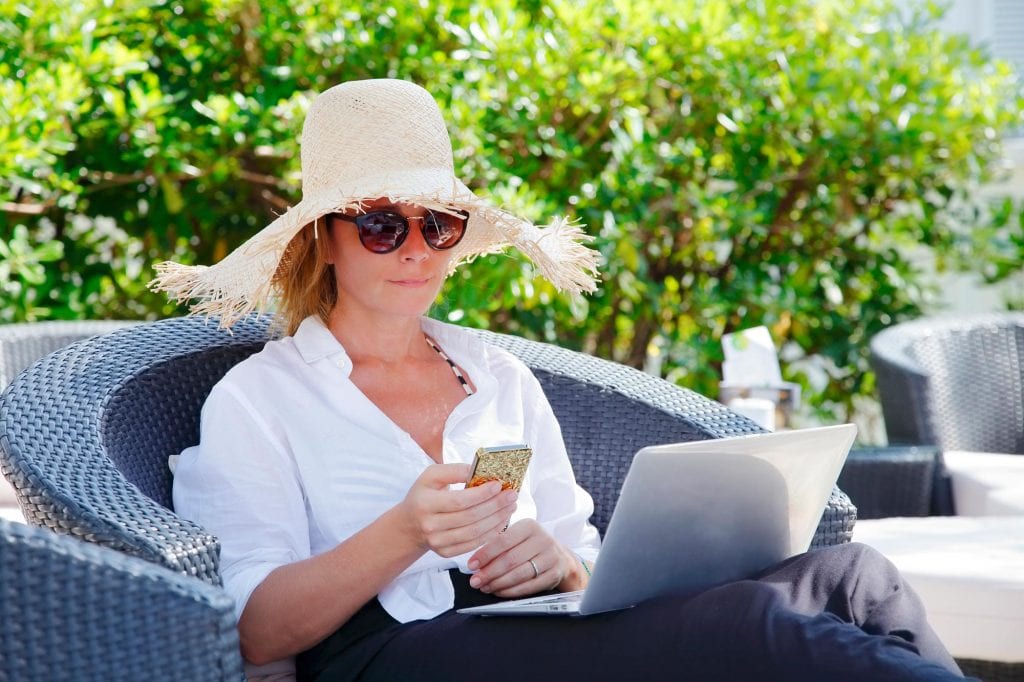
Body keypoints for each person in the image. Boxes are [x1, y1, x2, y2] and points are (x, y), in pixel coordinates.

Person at [153, 79, 971, 682]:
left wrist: (560, 565)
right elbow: (257, 633)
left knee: (853, 578)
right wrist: (405, 532)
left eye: (436, 224)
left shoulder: (497, 378)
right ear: (323, 241)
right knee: (751, 623)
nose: (414, 248)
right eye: (379, 224)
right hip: (390, 657)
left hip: (537, 630)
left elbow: (580, 551)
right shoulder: (263, 400)